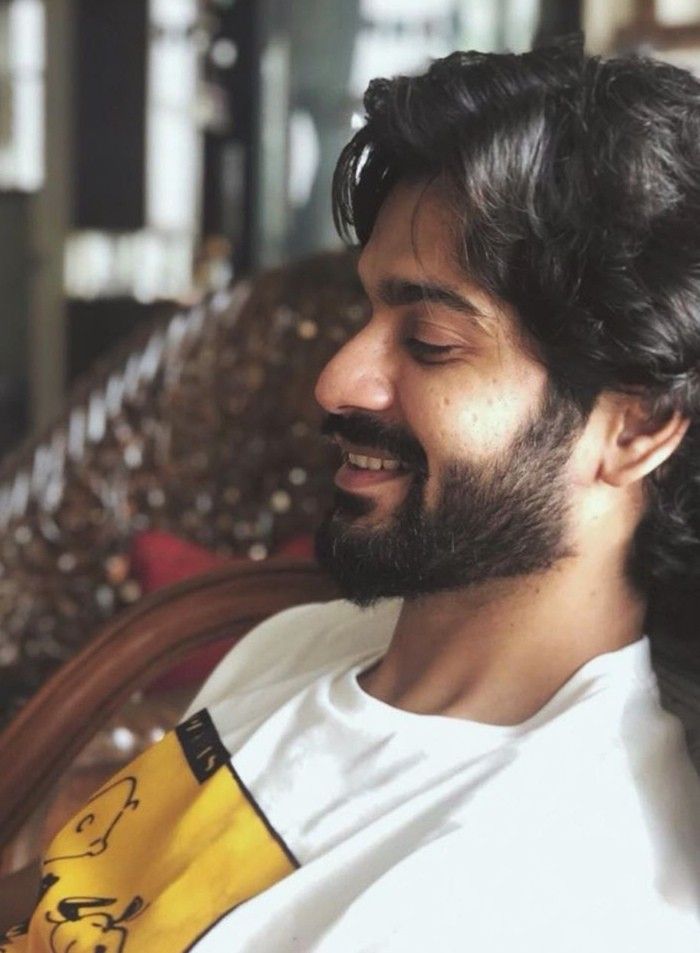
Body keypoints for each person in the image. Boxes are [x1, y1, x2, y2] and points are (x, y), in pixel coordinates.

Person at [4, 39, 700, 951]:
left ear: (636, 427)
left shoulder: (561, 882)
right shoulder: (298, 643)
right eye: (364, 314)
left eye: (433, 341)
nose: (337, 380)